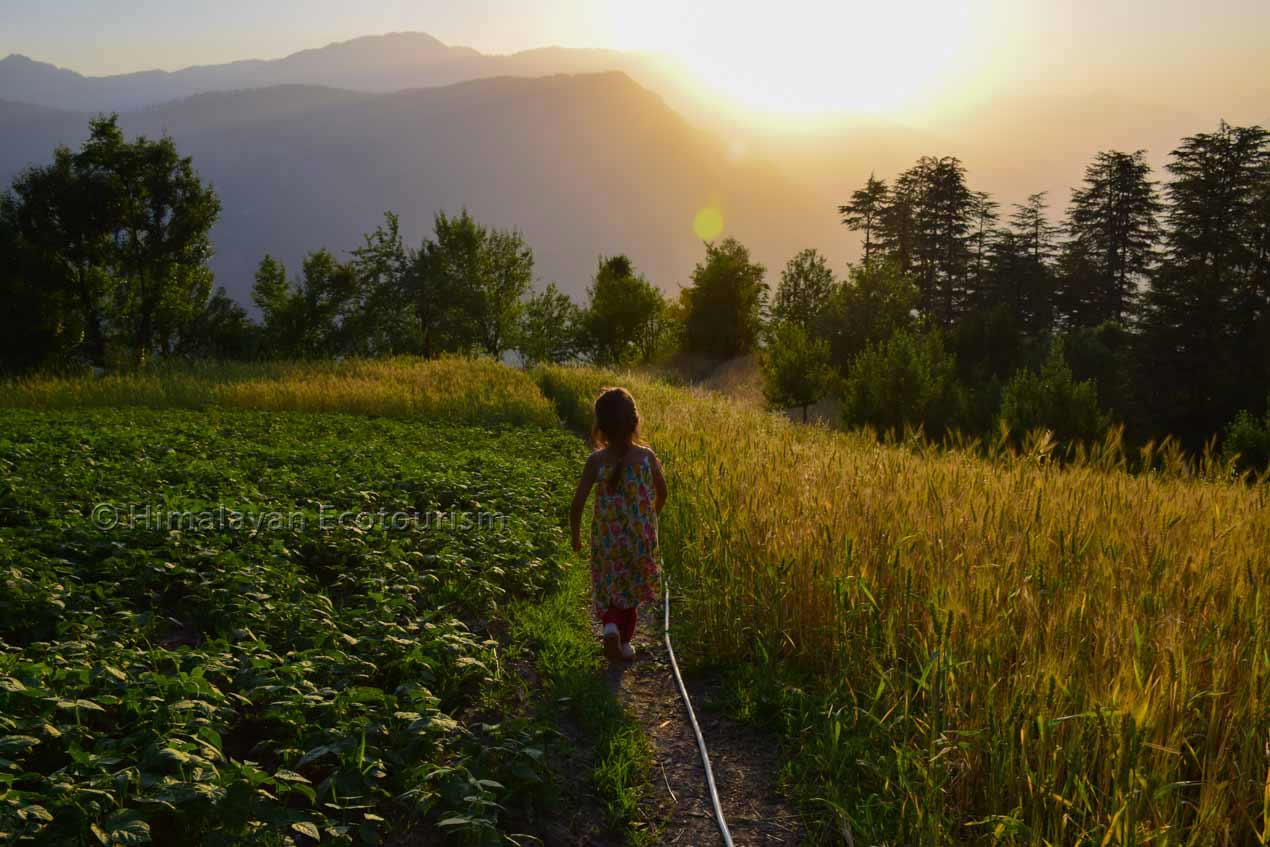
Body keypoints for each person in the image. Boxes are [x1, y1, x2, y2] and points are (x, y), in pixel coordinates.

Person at [569, 386, 667, 661]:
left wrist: (575, 535)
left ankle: (610, 627)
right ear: (635, 423)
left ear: (600, 426)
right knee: (631, 592)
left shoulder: (596, 461)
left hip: (606, 541)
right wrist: (649, 520)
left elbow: (577, 504)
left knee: (609, 588)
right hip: (640, 540)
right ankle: (624, 643)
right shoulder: (647, 457)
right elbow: (663, 493)